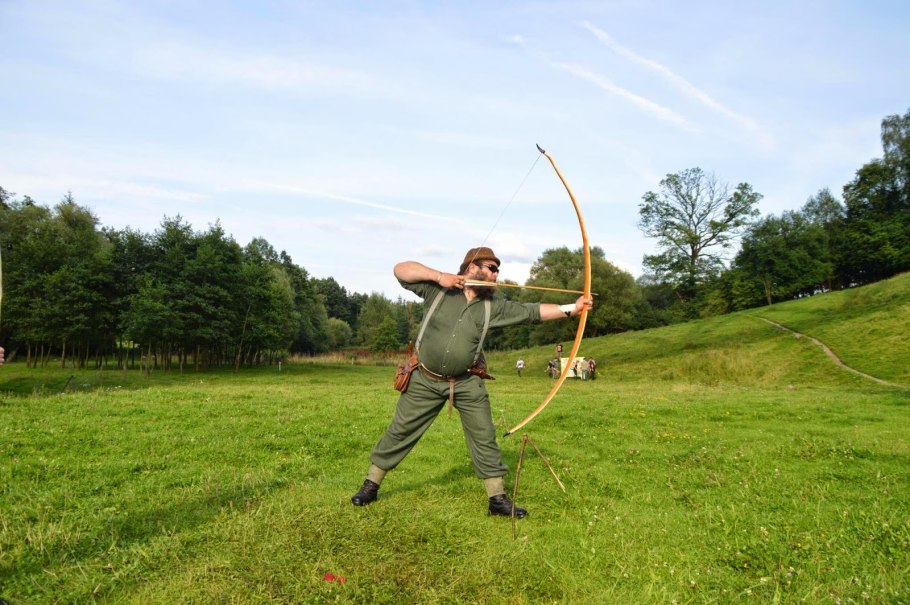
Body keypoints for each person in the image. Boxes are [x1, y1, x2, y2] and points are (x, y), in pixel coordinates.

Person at [351, 247, 594, 518]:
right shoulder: (438, 290)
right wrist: (439, 276)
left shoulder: (494, 306)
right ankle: (370, 486)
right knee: (400, 431)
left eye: (497, 270)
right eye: (491, 268)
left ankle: (497, 500)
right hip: (425, 378)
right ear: (471, 267)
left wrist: (573, 308)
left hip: (467, 382)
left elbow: (531, 311)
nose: (496, 273)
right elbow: (400, 269)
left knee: (484, 436)